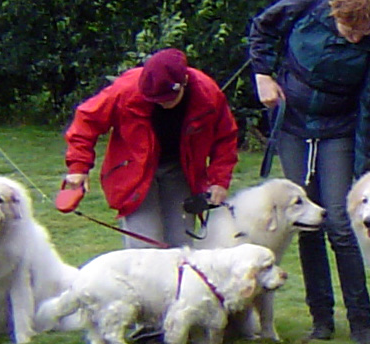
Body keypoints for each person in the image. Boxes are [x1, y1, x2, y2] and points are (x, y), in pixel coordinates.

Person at [247, 0, 370, 344]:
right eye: (350, 29)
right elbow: (262, 28)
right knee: (306, 222)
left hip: (339, 130)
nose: (357, 37)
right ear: (335, 12)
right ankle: (321, 320)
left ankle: (361, 321)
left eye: (364, 30)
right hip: (293, 126)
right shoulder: (305, 6)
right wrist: (263, 75)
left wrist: (366, 171)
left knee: (342, 224)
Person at [62, 49, 239, 249]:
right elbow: (87, 120)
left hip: (180, 171)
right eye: (155, 100)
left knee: (181, 248)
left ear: (184, 82)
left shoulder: (208, 94)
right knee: (144, 248)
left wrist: (219, 181)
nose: (162, 104)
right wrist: (78, 167)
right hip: (134, 173)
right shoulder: (125, 90)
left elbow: (225, 137)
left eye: (167, 99)